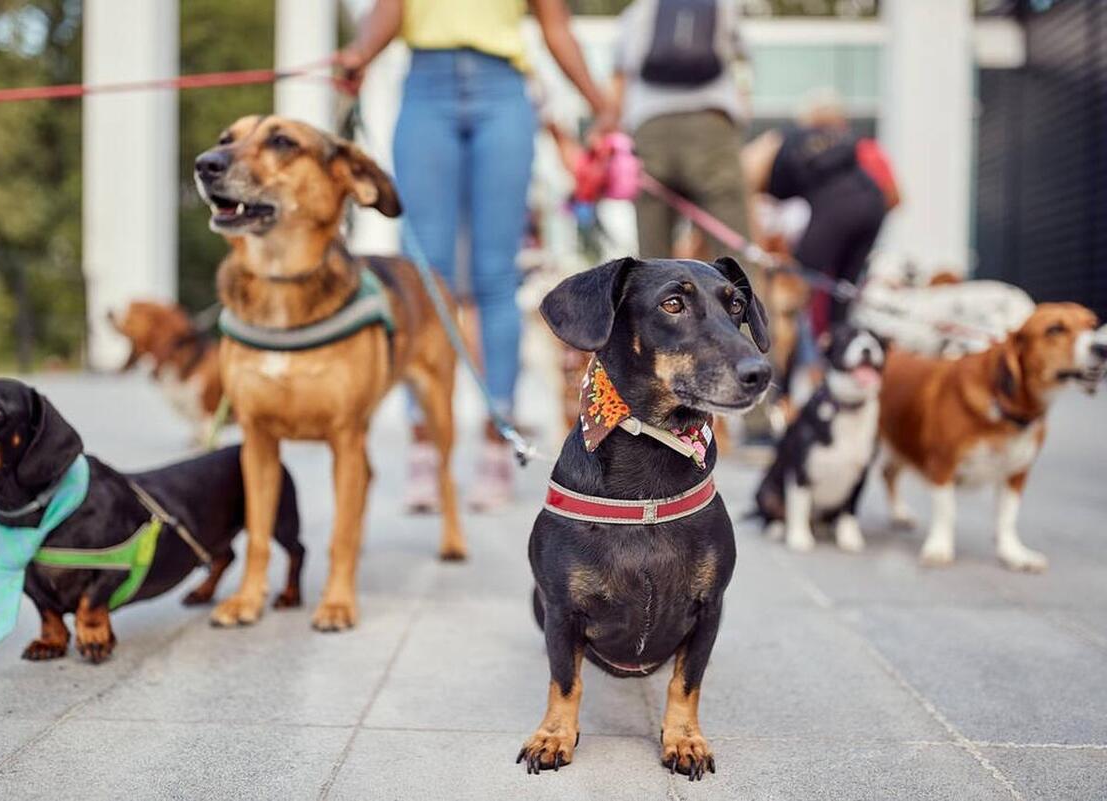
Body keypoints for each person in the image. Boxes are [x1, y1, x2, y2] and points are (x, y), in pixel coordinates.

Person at [337, 0, 616, 512]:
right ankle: (426, 450)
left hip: (502, 89)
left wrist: (600, 102)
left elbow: (556, 27)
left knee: (495, 276)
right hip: (426, 84)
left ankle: (496, 446)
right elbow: (389, 10)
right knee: (424, 276)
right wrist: (360, 53)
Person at [612, 0, 752, 268]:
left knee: (653, 260)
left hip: (650, 129)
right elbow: (742, 63)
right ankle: (745, 307)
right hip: (711, 127)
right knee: (734, 250)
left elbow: (620, 78)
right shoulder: (722, 6)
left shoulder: (638, 11)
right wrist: (742, 108)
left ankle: (653, 308)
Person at [745, 93, 898, 335]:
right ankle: (837, 352)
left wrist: (754, 250)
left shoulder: (760, 152)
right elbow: (893, 196)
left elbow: (749, 209)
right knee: (842, 295)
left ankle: (786, 360)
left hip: (836, 208)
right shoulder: (843, 144)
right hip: (872, 205)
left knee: (798, 289)